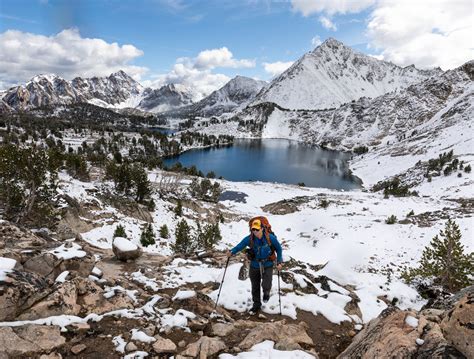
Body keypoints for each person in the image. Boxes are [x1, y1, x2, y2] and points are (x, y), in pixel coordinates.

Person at [227, 218, 283, 314]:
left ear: (262, 228)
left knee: (266, 283)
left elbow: (279, 249)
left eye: (257, 229)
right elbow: (240, 246)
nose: (255, 231)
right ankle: (256, 305)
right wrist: (231, 252)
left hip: (268, 263)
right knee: (255, 286)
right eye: (253, 229)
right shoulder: (250, 239)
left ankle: (266, 293)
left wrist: (279, 262)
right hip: (254, 264)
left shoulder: (270, 238)